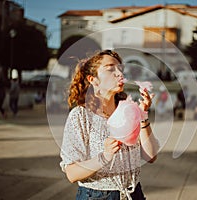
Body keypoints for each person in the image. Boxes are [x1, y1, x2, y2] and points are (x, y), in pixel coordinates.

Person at [59, 50, 158, 200]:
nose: (119, 73)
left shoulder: (129, 111)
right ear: (93, 80)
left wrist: (143, 115)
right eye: (110, 68)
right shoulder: (80, 116)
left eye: (120, 69)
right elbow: (72, 174)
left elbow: (151, 156)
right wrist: (104, 157)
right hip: (97, 196)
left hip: (134, 193)